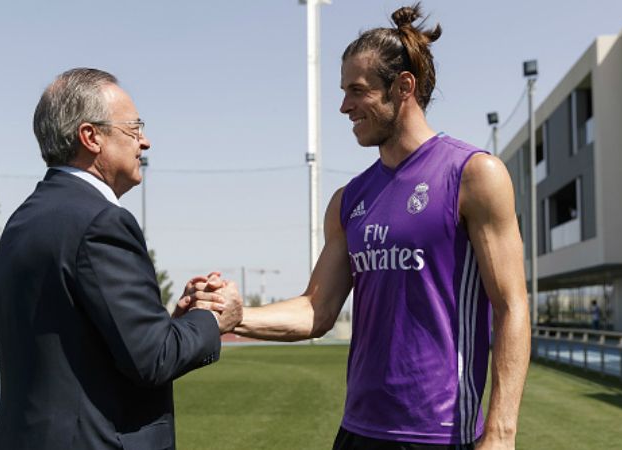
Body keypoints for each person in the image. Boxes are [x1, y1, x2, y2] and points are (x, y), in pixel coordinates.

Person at [189, 4, 530, 449]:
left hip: (439, 434)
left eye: (357, 90)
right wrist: (234, 317)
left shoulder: (473, 174)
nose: (344, 106)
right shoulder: (348, 200)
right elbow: (317, 309)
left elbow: (511, 307)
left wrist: (501, 433)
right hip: (357, 431)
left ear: (402, 87)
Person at [0, 68, 242, 450]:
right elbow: (152, 359)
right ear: (91, 137)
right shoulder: (101, 221)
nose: (145, 142)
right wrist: (215, 317)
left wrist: (173, 323)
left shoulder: (24, 219)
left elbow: (83, 342)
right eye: (134, 129)